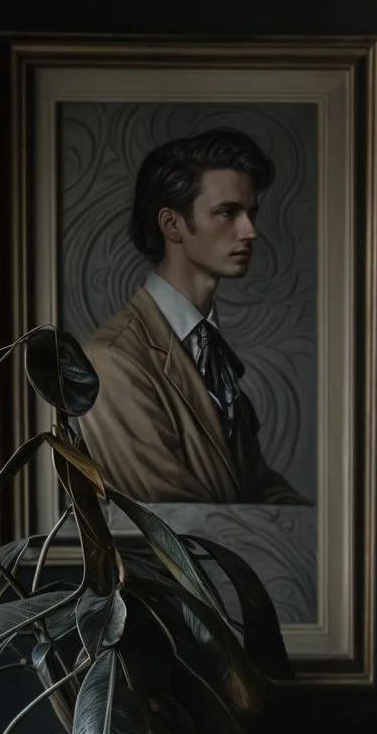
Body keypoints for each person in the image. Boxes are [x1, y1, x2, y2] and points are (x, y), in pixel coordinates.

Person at [76, 127, 303, 506]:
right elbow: (168, 515)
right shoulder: (112, 359)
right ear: (171, 224)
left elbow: (256, 484)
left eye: (251, 214)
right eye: (227, 213)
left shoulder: (209, 348)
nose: (250, 231)